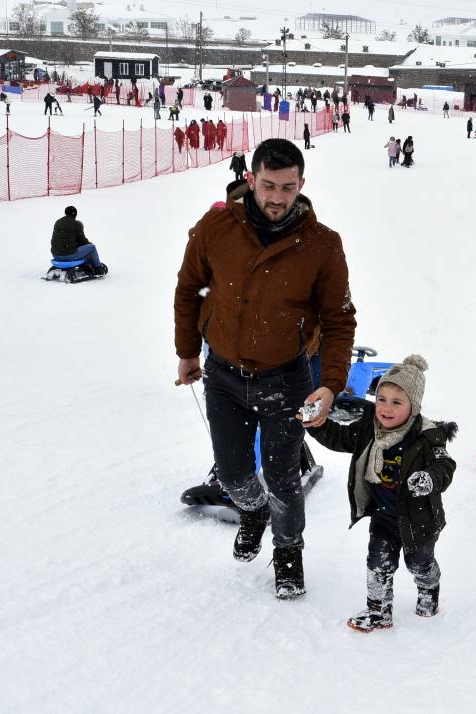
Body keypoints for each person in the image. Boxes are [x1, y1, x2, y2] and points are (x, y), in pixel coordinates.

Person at [174, 138, 357, 599]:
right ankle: (253, 511)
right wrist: (188, 350)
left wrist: (331, 385)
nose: (278, 197)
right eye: (269, 185)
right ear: (251, 179)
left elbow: (339, 320)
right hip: (224, 376)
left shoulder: (321, 244)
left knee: (282, 476)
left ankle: (288, 552)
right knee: (234, 474)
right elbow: (190, 288)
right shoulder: (216, 227)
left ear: (302, 185)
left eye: (288, 187)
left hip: (286, 378)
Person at [307, 355, 455, 632]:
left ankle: (429, 586)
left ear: (414, 406)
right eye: (382, 399)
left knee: (418, 564)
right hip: (384, 516)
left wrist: (429, 479)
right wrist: (317, 424)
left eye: (397, 402)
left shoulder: (427, 435)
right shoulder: (369, 429)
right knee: (378, 563)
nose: (386, 408)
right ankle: (379, 611)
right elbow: (340, 438)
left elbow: (445, 465)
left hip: (418, 518)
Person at [51, 206, 106, 273]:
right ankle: (98, 268)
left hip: (56, 255)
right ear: (75, 214)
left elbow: (63, 239)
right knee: (92, 247)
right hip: (68, 255)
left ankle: (85, 265)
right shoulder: (76, 224)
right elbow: (83, 241)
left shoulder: (58, 222)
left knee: (76, 248)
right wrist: (89, 244)